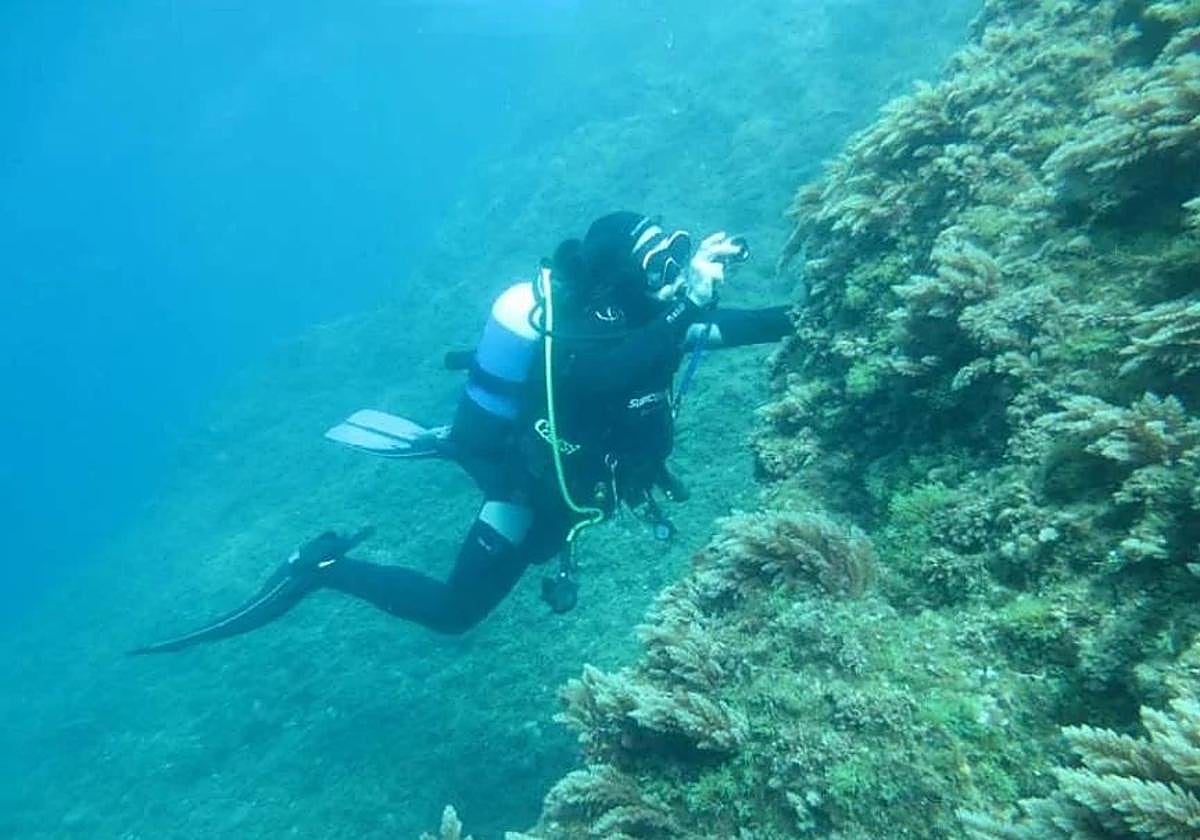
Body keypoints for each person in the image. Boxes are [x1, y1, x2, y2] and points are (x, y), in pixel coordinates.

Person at [131, 211, 792, 654]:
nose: (670, 280)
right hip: (523, 483)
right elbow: (598, 374)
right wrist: (686, 307)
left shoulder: (655, 321)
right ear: (617, 280)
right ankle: (320, 567)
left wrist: (816, 313)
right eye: (656, 268)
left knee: (521, 535)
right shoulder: (585, 337)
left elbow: (740, 325)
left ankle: (445, 440)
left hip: (573, 485)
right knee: (454, 612)